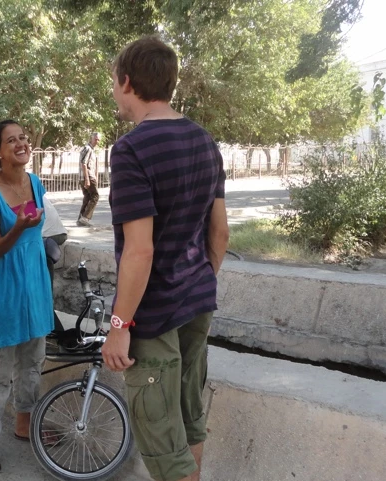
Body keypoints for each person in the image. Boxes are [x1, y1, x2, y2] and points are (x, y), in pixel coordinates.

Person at [100, 36, 229, 481]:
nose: (115, 92)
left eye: (115, 83)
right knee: (189, 416)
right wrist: (197, 280)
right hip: (197, 301)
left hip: (151, 315)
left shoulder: (131, 150)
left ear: (127, 82)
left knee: (160, 433)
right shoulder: (205, 140)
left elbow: (140, 249)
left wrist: (119, 327)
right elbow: (220, 232)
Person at [0, 119, 54, 474]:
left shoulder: (35, 183)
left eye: (23, 138)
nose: (20, 143)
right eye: (11, 140)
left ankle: (23, 424)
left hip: (34, 286)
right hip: (3, 287)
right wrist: (19, 225)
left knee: (31, 362)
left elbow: (46, 233)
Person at [77, 132, 100, 227]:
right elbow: (84, 163)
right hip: (88, 176)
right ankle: (85, 218)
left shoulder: (90, 149)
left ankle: (81, 218)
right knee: (95, 196)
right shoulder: (88, 149)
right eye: (96, 139)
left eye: (98, 140)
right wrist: (87, 179)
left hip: (84, 177)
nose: (97, 141)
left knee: (87, 197)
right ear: (91, 139)